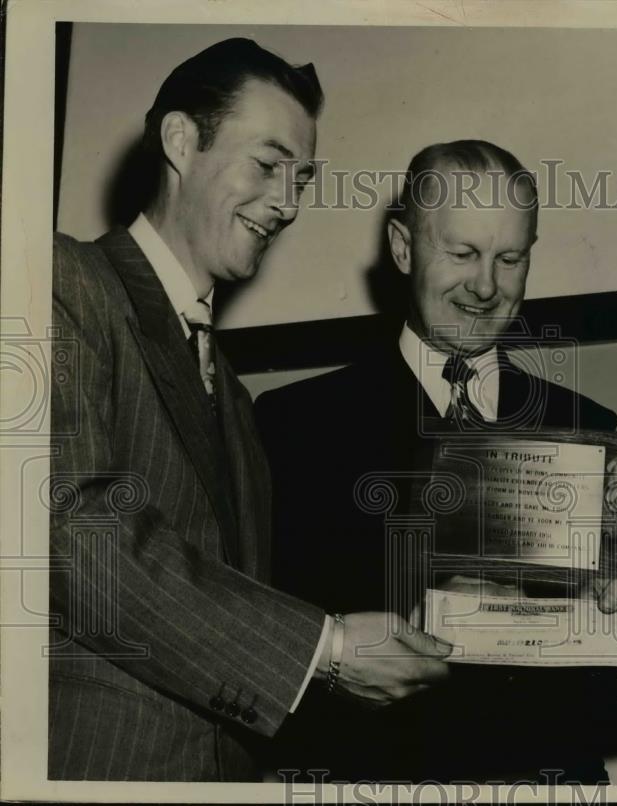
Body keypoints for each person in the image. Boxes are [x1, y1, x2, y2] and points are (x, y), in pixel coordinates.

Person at [48, 38, 450, 782]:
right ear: (179, 140)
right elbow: (76, 537)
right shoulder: (62, 282)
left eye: (302, 179)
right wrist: (325, 650)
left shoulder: (229, 388)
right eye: (267, 166)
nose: (288, 204)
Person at [255, 139, 617, 782]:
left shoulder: (590, 429)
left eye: (509, 258)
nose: (485, 285)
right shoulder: (290, 426)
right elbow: (272, 658)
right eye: (463, 253)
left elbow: (611, 689)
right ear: (402, 247)